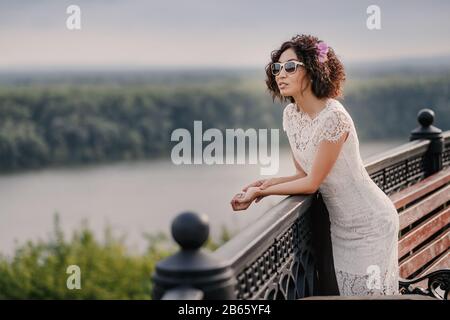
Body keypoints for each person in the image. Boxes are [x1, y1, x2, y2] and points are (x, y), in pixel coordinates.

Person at [230, 34, 399, 296]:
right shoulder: (291, 115)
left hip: (371, 223)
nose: (280, 74)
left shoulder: (334, 117)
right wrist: (264, 182)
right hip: (341, 227)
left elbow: (311, 184)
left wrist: (261, 193)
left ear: (312, 69)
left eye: (290, 67)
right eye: (277, 67)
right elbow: (303, 173)